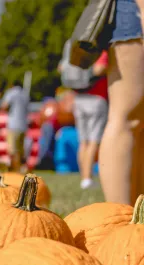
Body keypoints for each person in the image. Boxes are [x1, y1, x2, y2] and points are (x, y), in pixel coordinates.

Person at [97, 0, 144, 204]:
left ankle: (137, 220)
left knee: (137, 124)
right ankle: (119, 220)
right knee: (126, 117)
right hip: (136, 14)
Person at [64, 52, 108, 190]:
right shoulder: (101, 47)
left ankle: (84, 178)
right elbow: (100, 68)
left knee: (83, 141)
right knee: (94, 141)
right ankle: (88, 179)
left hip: (79, 98)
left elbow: (62, 67)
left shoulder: (81, 46)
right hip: (96, 98)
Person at [0, 80, 30, 172]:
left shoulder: (11, 93)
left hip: (14, 124)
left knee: (13, 150)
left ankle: (16, 171)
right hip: (23, 125)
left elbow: (4, 106)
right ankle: (21, 168)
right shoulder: (25, 94)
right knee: (20, 151)